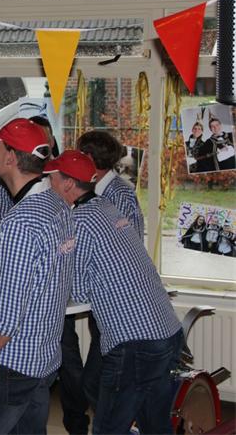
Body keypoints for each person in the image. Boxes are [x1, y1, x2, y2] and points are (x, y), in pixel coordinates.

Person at [45, 150, 182, 435]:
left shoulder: (79, 221)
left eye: (52, 178)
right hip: (165, 330)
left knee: (108, 428)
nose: (49, 184)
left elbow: (79, 290)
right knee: (155, 426)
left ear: (68, 184)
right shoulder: (107, 208)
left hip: (134, 342)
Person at [0, 118, 74, 435]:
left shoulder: (21, 221)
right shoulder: (58, 205)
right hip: (41, 359)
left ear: (11, 158)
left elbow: (10, 310)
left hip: (9, 364)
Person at [77, 130, 144, 240]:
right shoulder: (103, 189)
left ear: (89, 158)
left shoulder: (119, 196)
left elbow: (120, 243)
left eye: (78, 156)